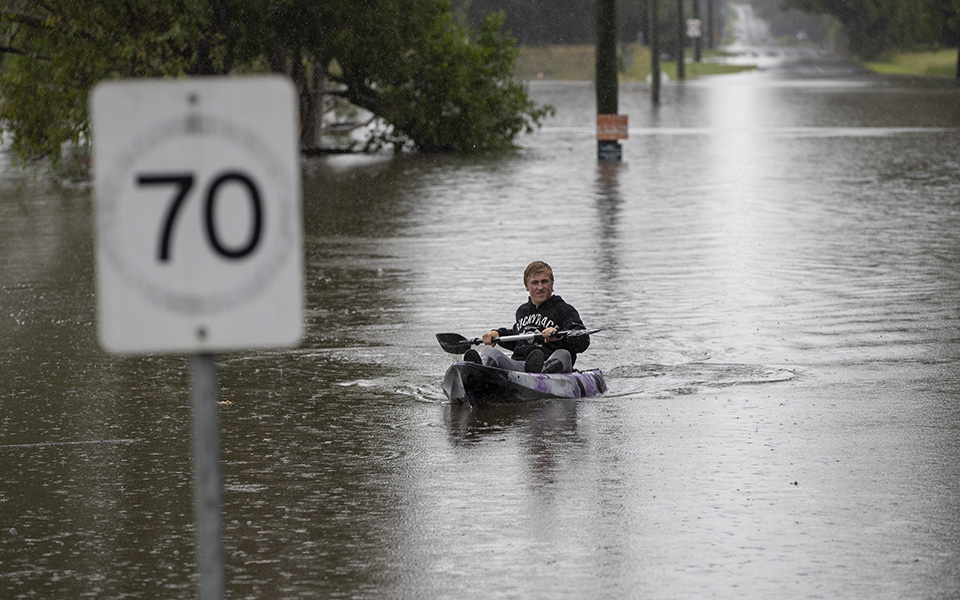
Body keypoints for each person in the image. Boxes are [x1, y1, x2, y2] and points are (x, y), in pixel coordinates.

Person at [463, 261, 590, 373]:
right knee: (488, 352)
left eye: (544, 282)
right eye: (535, 283)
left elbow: (583, 340)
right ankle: (479, 371)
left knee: (564, 354)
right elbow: (518, 337)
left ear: (552, 284)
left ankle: (542, 373)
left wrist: (559, 336)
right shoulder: (522, 311)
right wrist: (496, 333)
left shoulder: (565, 310)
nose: (540, 287)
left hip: (551, 364)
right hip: (521, 366)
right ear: (526, 286)